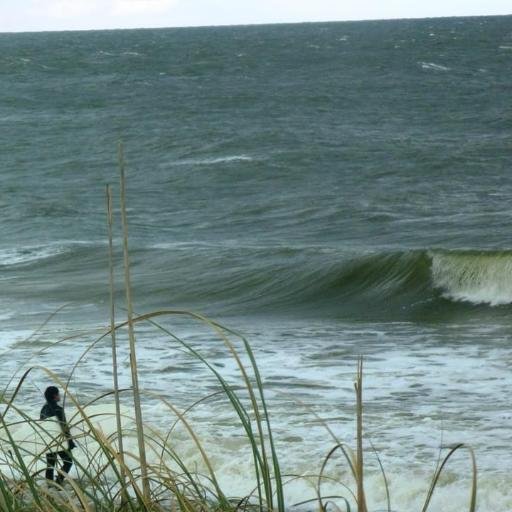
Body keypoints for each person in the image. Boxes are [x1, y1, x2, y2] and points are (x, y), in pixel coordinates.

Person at [40, 386, 76, 485]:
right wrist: (70, 442)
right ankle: (59, 482)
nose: (59, 396)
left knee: (50, 465)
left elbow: (43, 426)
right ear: (55, 396)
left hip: (49, 440)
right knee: (68, 462)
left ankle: (49, 486)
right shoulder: (58, 409)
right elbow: (64, 427)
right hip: (60, 441)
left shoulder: (43, 409)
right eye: (58, 394)